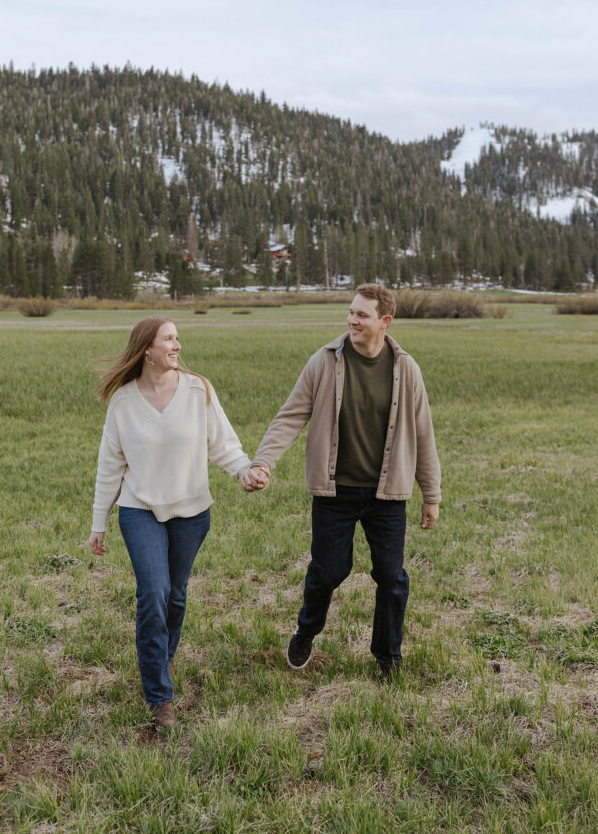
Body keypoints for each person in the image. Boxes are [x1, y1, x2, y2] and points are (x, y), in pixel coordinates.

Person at [241, 283, 441, 679]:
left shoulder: (406, 368)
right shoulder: (325, 362)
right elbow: (291, 415)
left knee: (392, 575)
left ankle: (388, 657)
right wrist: (264, 461)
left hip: (387, 493)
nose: (352, 319)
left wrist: (430, 495)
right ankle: (306, 630)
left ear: (385, 321)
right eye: (351, 312)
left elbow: (423, 433)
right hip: (335, 491)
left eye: (361, 314)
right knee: (329, 571)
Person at [89, 317, 262, 728]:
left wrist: (244, 470)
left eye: (177, 338)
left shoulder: (197, 390)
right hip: (139, 509)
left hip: (191, 512)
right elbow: (109, 466)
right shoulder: (124, 403)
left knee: (176, 594)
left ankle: (160, 659)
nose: (177, 345)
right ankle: (159, 696)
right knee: (153, 592)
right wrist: (99, 522)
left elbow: (223, 443)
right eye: (169, 338)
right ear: (146, 349)